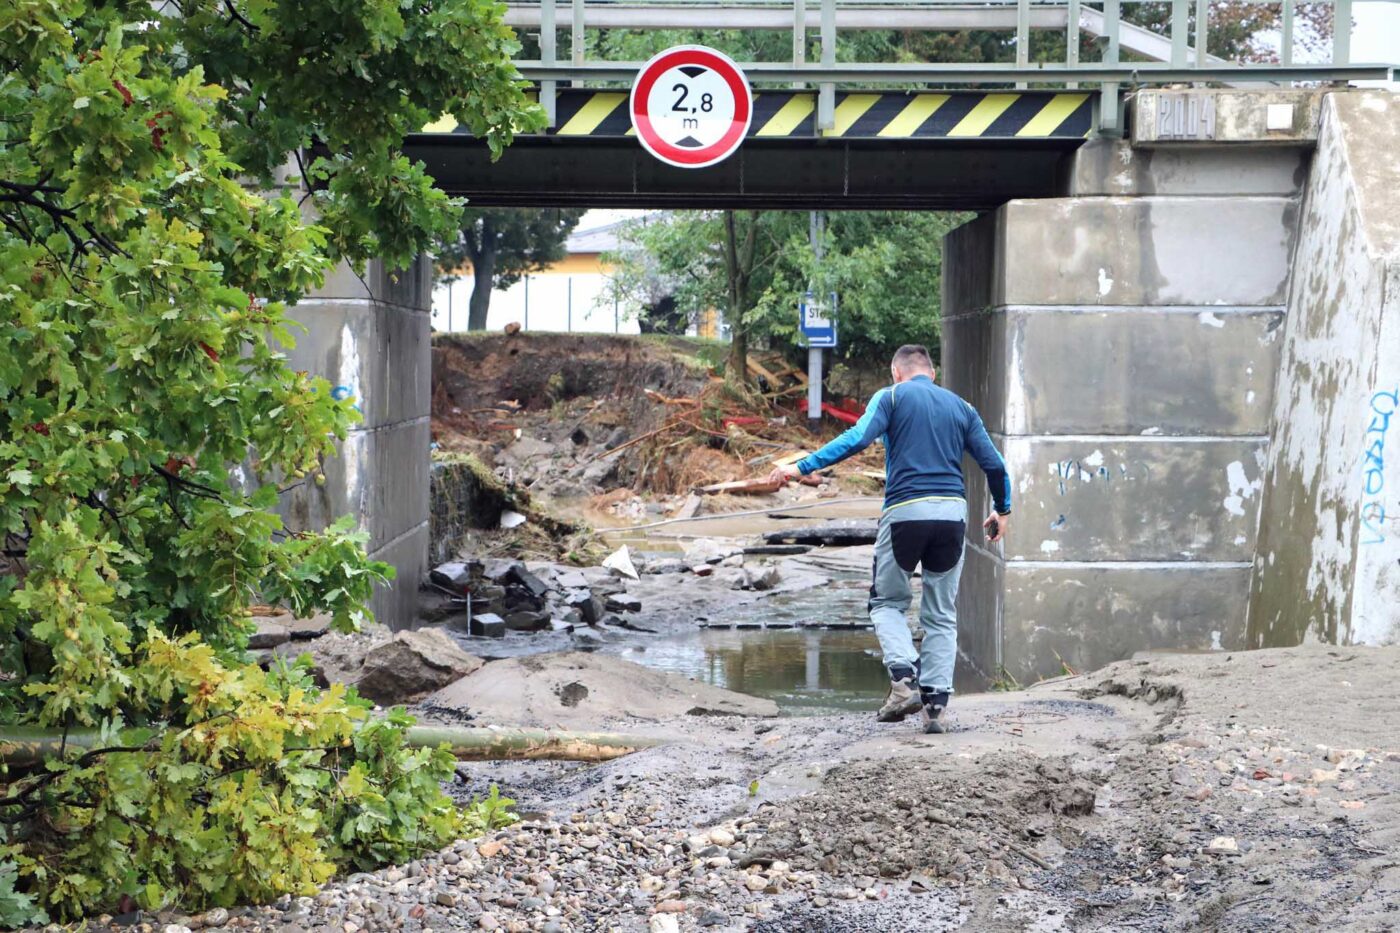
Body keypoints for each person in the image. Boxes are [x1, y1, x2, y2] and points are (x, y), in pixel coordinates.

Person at [769, 344, 1011, 734]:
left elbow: (857, 438)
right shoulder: (962, 407)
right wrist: (1003, 509)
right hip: (952, 515)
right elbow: (995, 464)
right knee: (941, 612)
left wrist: (801, 466)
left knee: (886, 602)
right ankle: (934, 707)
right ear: (932, 373)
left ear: (897, 373)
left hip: (904, 513)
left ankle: (903, 679)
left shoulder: (891, 397)